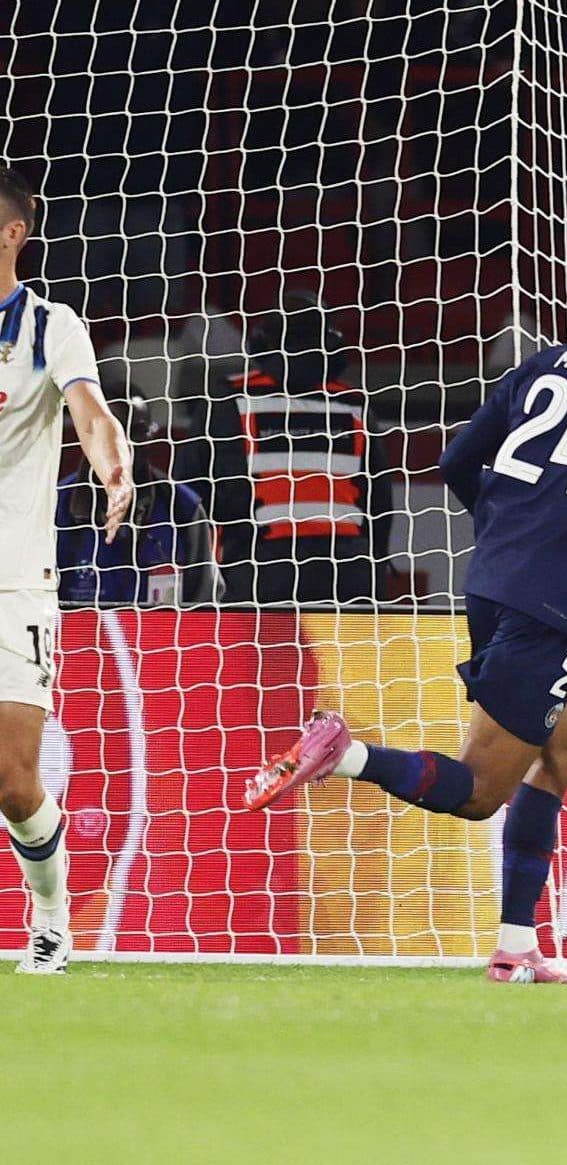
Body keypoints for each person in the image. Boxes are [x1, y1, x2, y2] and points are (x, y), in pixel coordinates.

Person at [244, 276, 567, 986]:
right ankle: (347, 754)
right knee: (476, 792)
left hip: (492, 578)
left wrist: (504, 527)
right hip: (552, 602)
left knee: (560, 747)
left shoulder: (550, 359)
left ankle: (516, 944)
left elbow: (457, 460)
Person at [0, 164, 134, 974]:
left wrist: (112, 465)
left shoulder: (51, 325)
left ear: (12, 231)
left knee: (14, 781)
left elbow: (91, 412)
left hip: (14, 578)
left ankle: (51, 915)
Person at [172, 292, 393, 604]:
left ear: (264, 341)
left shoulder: (228, 400)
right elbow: (380, 504)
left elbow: (188, 494)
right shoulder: (354, 404)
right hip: (349, 576)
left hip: (261, 575)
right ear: (331, 344)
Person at [56, 382, 219, 605]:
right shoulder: (55, 507)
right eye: (111, 435)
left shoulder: (183, 508)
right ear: (89, 436)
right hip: (77, 637)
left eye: (135, 434)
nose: (121, 447)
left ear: (151, 436)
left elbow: (205, 602)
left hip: (163, 638)